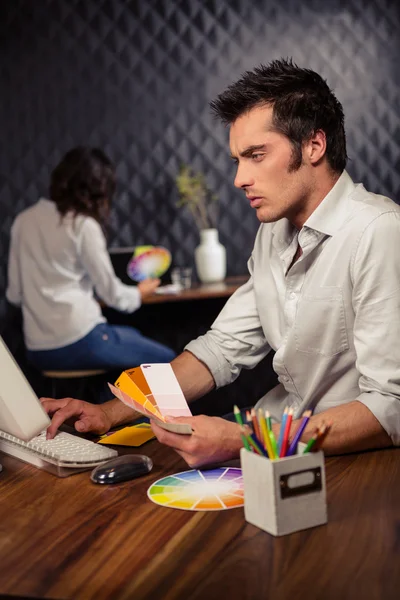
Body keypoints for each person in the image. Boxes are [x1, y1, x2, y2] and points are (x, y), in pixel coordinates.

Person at [41, 59, 400, 465]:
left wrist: (247, 439)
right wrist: (108, 412)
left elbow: (390, 406)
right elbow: (221, 348)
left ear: (314, 145)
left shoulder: (379, 230)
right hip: (270, 444)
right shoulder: (272, 233)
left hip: (343, 461)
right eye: (237, 160)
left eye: (256, 155)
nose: (239, 178)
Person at [6, 147, 176, 375]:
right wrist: (139, 293)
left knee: (130, 338)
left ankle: (108, 407)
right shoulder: (83, 226)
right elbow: (111, 294)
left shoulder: (23, 220)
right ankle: (130, 409)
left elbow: (14, 295)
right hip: (79, 339)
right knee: (168, 360)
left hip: (37, 350)